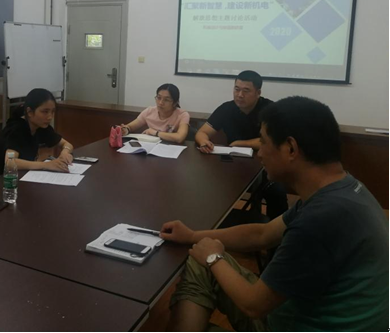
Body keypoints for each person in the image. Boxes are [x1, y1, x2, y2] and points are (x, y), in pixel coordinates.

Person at [161, 96, 389, 332]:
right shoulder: (340, 190)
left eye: (263, 142)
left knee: (205, 261)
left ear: (291, 148)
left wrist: (213, 257)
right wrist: (193, 236)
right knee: (199, 255)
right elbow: (262, 234)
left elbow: (254, 305)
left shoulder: (320, 220)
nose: (259, 152)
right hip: (301, 312)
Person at [195, 70, 287, 219]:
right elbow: (202, 132)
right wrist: (204, 141)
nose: (239, 95)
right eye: (236, 89)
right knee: (205, 184)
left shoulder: (270, 110)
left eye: (246, 91)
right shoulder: (226, 108)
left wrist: (241, 143)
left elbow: (273, 141)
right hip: (232, 165)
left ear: (258, 93)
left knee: (277, 192)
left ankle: (277, 229)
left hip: (265, 165)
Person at [0, 88, 74, 173]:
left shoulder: (41, 126)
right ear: (30, 112)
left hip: (23, 174)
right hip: (2, 177)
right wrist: (46, 165)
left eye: (52, 111)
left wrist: (65, 152)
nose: (50, 117)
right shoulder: (17, 129)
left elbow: (67, 144)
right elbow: (10, 162)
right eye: (45, 112)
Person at [120, 84, 190, 144]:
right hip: (150, 147)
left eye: (166, 100)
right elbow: (131, 126)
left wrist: (155, 132)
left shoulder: (182, 115)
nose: (160, 103)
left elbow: (179, 137)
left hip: (171, 149)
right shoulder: (149, 111)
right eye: (159, 98)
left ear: (175, 103)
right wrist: (125, 130)